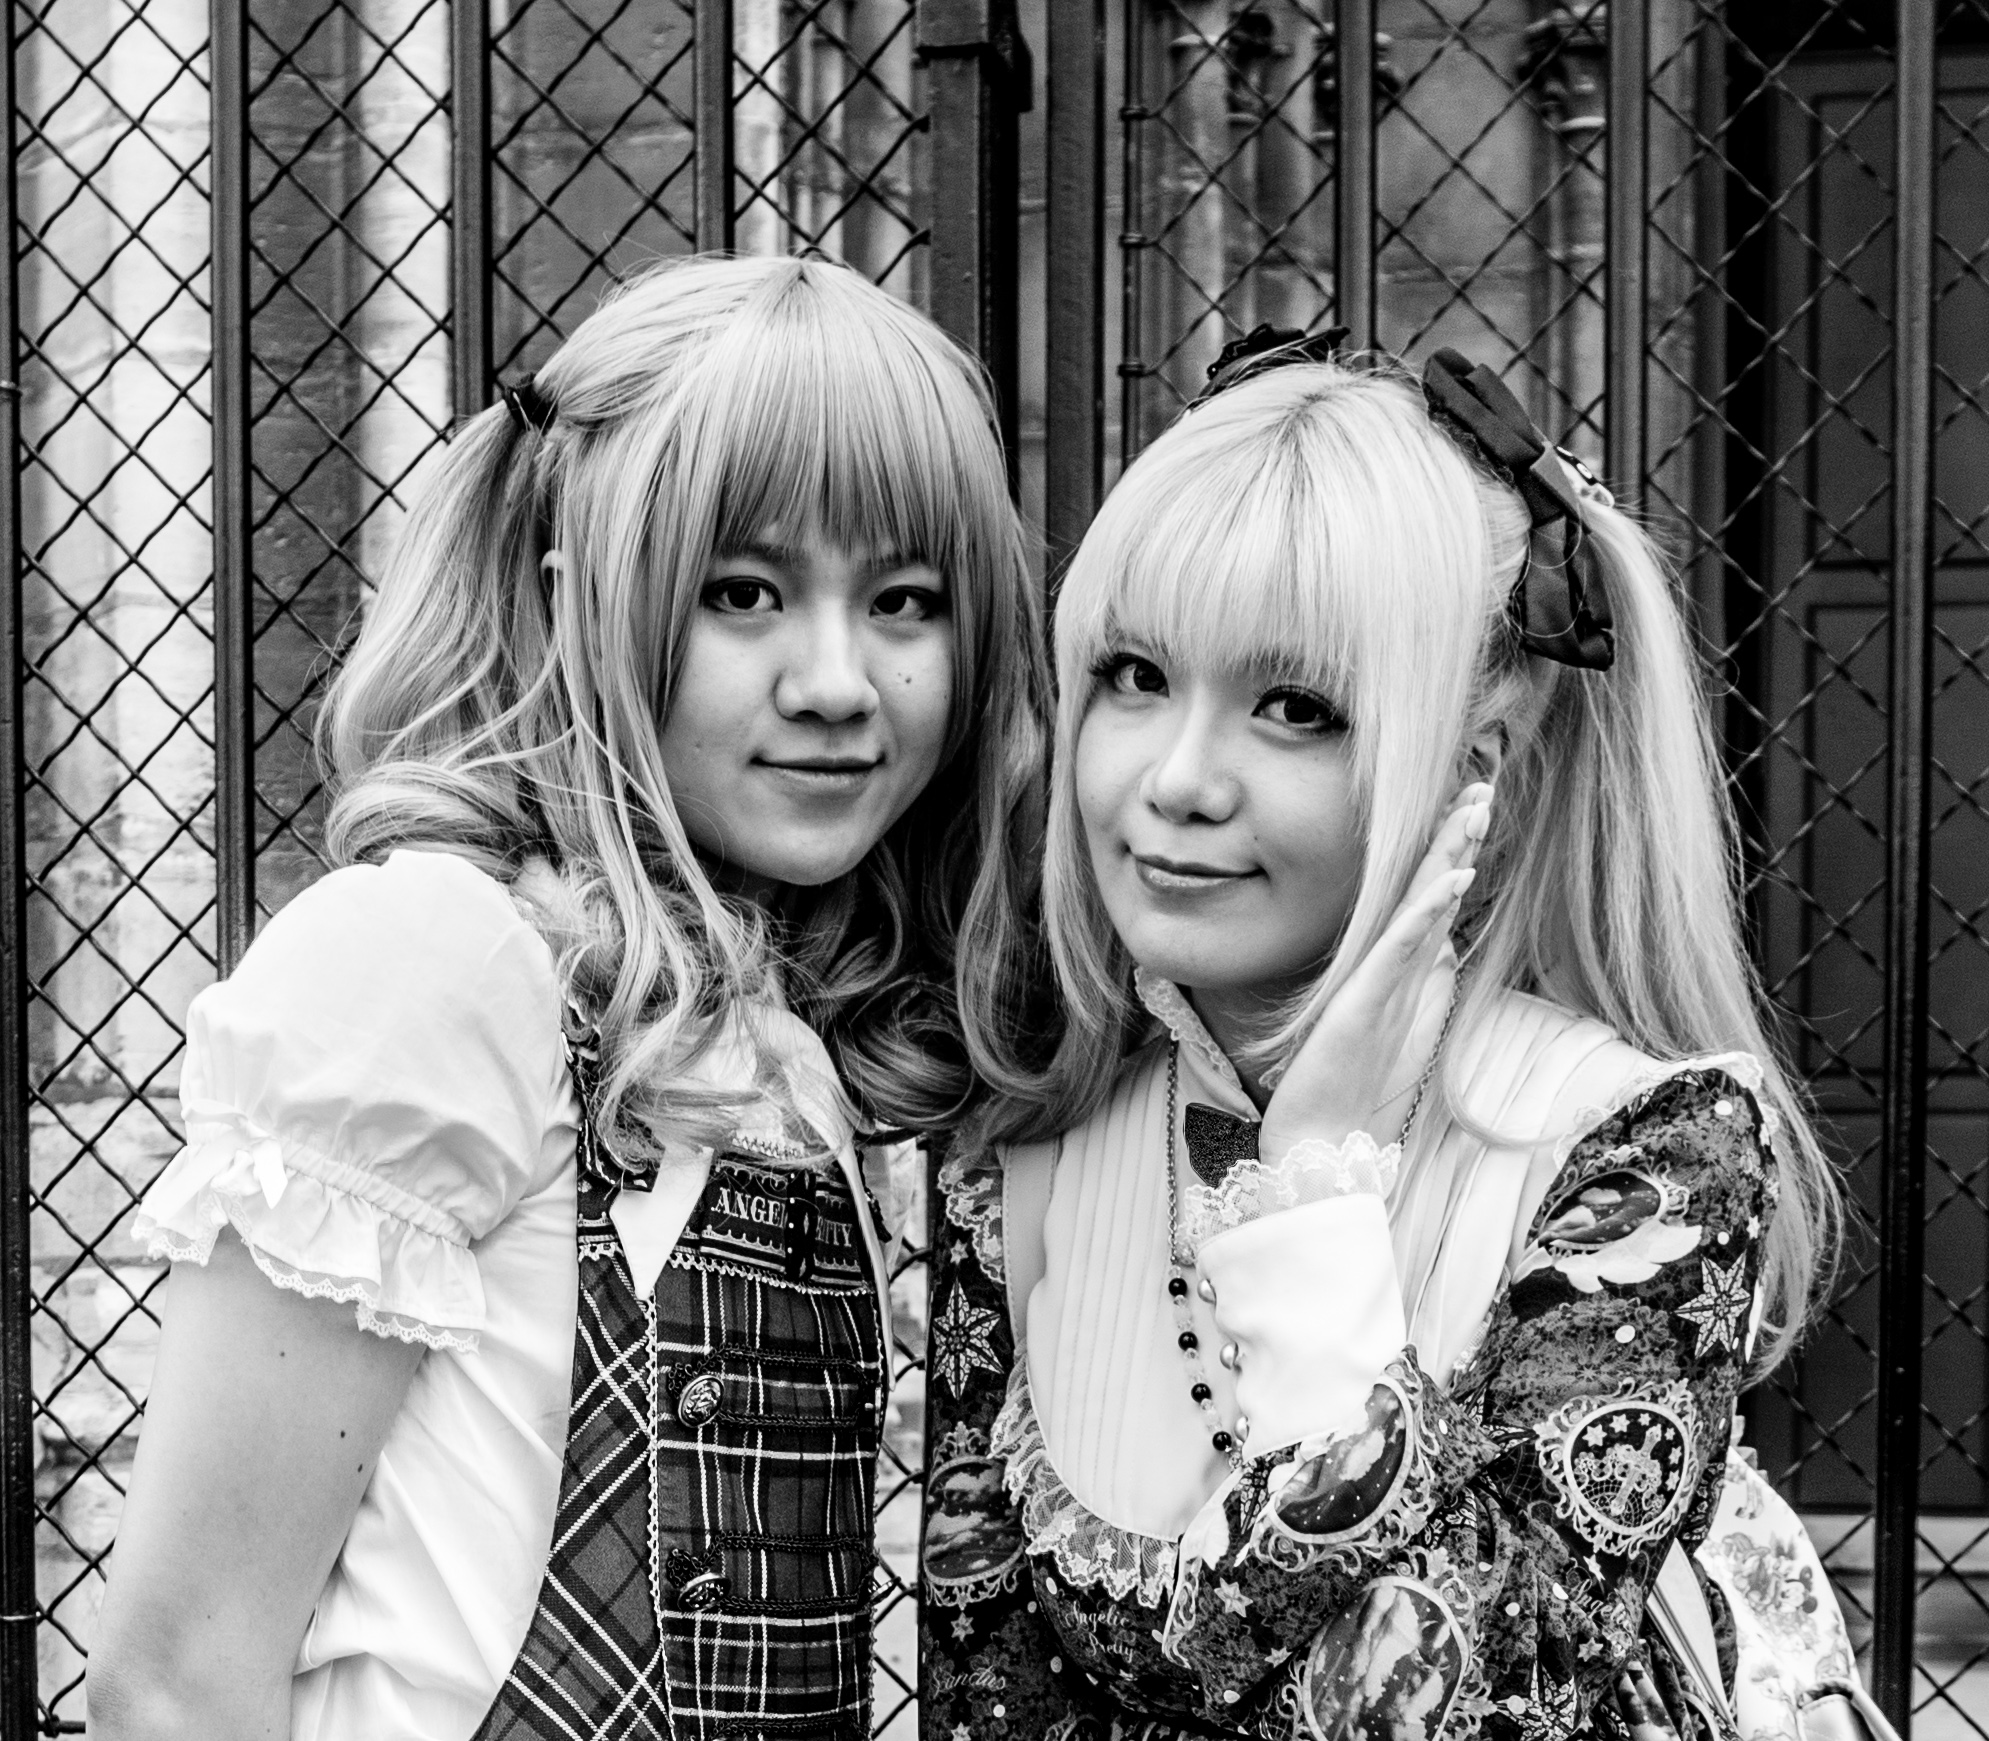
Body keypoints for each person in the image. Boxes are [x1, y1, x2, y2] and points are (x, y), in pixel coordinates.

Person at [88, 254, 1050, 1741]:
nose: (836, 680)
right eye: (743, 593)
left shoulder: (772, 1030)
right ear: (578, 602)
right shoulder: (439, 957)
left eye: (904, 600)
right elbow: (174, 1681)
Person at [919, 341, 1859, 1741]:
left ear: (1474, 770)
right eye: (1134, 674)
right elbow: (987, 1694)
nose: (1175, 779)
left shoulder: (1651, 1151)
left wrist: (1311, 1196)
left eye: (1295, 708)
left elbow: (1471, 1703)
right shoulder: (1026, 1137)